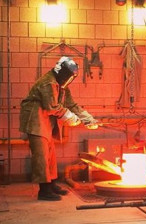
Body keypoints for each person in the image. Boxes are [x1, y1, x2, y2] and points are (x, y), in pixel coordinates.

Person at [20, 56, 99, 201]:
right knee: (41, 156)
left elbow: (71, 104)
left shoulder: (61, 85)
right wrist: (70, 118)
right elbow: (52, 107)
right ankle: (44, 191)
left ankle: (51, 184)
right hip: (35, 119)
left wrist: (87, 118)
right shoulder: (48, 83)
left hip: (45, 120)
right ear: (63, 72)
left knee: (50, 155)